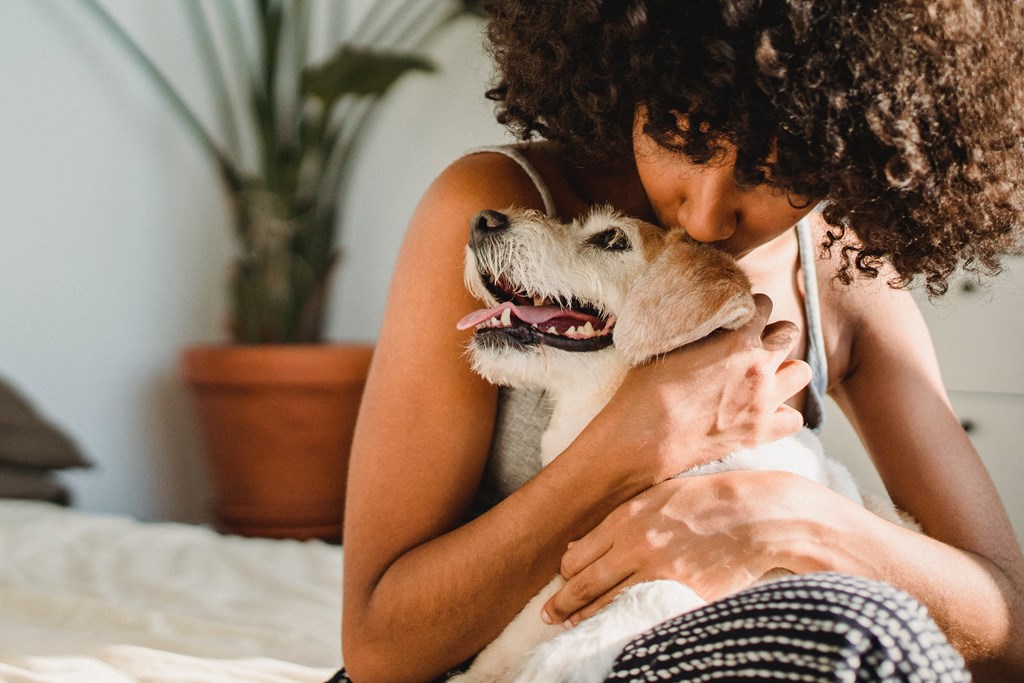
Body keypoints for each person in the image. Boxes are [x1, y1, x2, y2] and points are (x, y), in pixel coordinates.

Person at [337, 1, 1024, 681]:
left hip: (734, 655)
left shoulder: (840, 273)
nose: (704, 216)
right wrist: (644, 435)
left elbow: (1008, 626)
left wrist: (781, 514)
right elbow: (378, 647)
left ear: (846, 151)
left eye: (771, 173)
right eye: (678, 140)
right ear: (631, 84)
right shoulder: (505, 215)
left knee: (870, 640)